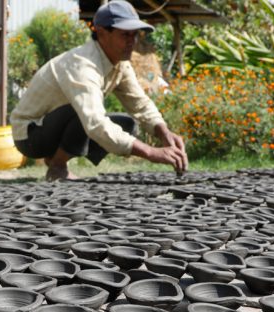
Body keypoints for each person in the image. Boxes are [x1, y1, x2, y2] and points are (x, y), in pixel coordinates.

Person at [10, 0, 188, 181]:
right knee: (83, 110)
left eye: (134, 35)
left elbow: (139, 103)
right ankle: (57, 166)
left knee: (127, 125)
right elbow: (94, 122)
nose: (132, 42)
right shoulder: (83, 65)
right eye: (125, 35)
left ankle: (56, 159)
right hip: (31, 135)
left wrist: (164, 133)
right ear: (102, 33)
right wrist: (150, 152)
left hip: (53, 126)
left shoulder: (120, 64)